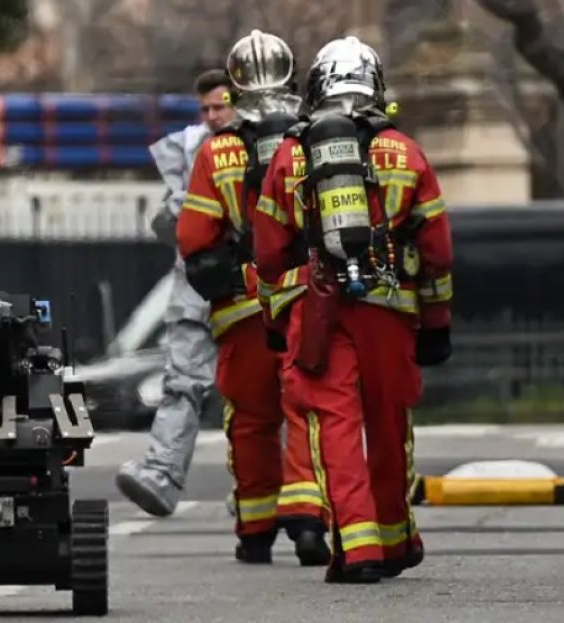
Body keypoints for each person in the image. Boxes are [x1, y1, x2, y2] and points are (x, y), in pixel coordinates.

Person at [253, 36, 454, 583]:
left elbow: (269, 252)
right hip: (389, 309)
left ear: (316, 88)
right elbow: (436, 251)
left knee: (334, 426)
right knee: (388, 422)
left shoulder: (291, 155)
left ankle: (358, 548)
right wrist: (436, 324)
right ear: (375, 86)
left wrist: (277, 321)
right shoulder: (406, 152)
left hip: (316, 310)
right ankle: (395, 538)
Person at [175, 30, 331, 566]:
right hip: (307, 298)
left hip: (243, 307)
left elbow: (195, 240)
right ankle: (309, 521)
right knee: (308, 408)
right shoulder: (314, 139)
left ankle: (256, 527)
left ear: (234, 86)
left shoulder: (216, 152)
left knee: (250, 417)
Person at [116, 69, 236, 517]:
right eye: (205, 108)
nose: (212, 115)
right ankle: (162, 474)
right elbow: (172, 226)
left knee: (261, 392)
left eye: (220, 105)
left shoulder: (257, 145)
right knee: (181, 381)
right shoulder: (190, 148)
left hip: (247, 283)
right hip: (198, 282)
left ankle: (268, 490)